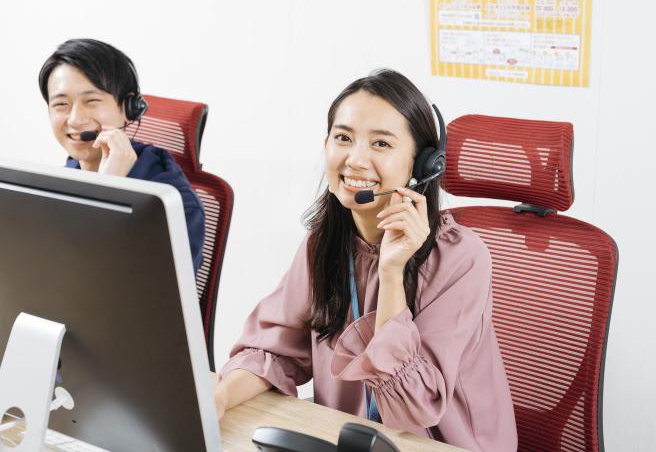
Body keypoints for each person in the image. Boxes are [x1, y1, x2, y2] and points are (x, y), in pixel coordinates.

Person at [213, 70, 517, 452]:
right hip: (351, 440)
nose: (355, 160)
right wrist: (219, 398)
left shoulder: (461, 259)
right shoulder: (323, 244)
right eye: (343, 138)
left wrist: (391, 273)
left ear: (422, 165)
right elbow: (273, 351)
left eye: (381, 143)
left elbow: (412, 410)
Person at [38, 38, 205, 274]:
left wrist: (107, 191)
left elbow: (143, 291)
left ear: (128, 109)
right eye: (61, 104)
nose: (75, 119)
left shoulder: (173, 206)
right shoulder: (71, 172)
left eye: (91, 101)